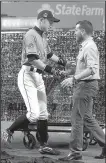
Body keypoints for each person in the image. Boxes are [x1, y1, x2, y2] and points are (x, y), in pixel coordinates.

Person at [2, 10, 67, 155]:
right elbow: (32, 58)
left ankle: (43, 145)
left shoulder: (43, 35)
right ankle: (8, 131)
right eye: (50, 22)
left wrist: (63, 62)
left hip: (38, 77)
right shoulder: (30, 34)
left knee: (43, 114)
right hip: (28, 76)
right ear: (42, 20)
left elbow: (49, 54)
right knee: (33, 114)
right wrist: (51, 70)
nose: (51, 25)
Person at [59, 20, 106, 160]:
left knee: (77, 120)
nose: (74, 33)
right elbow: (86, 68)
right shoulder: (86, 46)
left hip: (85, 86)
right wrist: (70, 73)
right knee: (87, 118)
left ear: (83, 31)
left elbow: (92, 70)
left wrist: (73, 79)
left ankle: (75, 153)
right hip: (86, 85)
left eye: (75, 31)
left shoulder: (89, 47)